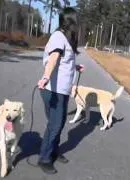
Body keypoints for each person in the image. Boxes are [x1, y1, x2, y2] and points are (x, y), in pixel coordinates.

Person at [37, 7, 84, 174]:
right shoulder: (58, 37)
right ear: (71, 21)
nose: (78, 25)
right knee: (55, 125)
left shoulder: (65, 38)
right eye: (76, 21)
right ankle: (44, 158)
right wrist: (46, 77)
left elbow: (63, 61)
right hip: (52, 90)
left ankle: (53, 152)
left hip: (61, 91)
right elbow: (54, 58)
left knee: (59, 123)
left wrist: (75, 66)